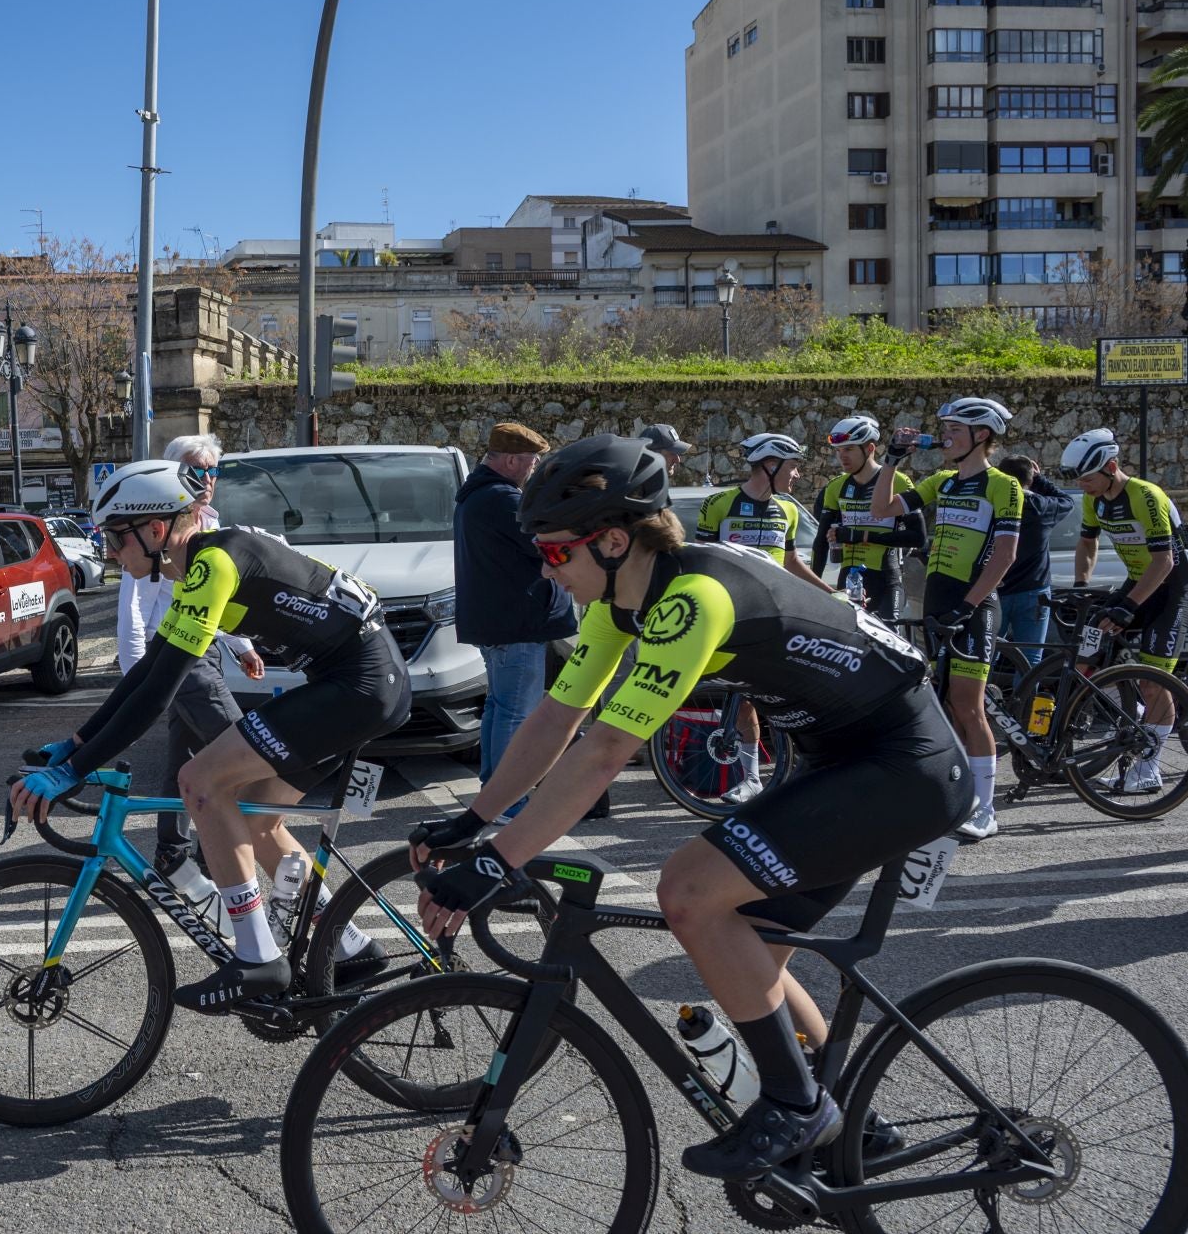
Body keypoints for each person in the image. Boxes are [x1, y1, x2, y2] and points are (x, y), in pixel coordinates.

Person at [412, 434, 969, 1180]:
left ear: (612, 540)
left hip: (904, 764)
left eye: (554, 555)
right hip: (847, 758)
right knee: (746, 954)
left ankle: (798, 1108)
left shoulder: (692, 600)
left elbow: (605, 751)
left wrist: (496, 860)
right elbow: (556, 717)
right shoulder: (623, 600)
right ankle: (852, 1130)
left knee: (689, 890)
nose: (549, 572)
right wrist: (478, 819)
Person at [11, 460, 409, 1012]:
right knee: (248, 818)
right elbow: (150, 671)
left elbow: (157, 696)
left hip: (357, 687)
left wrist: (71, 774)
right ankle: (349, 945)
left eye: (114, 536)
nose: (109, 551)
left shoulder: (212, 563)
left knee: (199, 781)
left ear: (154, 531)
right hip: (356, 682)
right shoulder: (204, 561)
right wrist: (76, 746)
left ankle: (256, 958)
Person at [871, 397, 1021, 842]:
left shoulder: (1001, 485)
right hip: (939, 602)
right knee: (946, 706)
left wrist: (970, 606)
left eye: (955, 429)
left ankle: (987, 808)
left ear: (982, 436)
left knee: (969, 707)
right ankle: (958, 798)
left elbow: (1006, 554)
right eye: (946, 428)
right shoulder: (944, 481)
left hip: (972, 606)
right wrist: (892, 462)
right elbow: (882, 510)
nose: (946, 436)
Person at [117, 434, 264, 871]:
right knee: (245, 752)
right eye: (196, 470)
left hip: (207, 653)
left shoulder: (211, 525)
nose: (206, 479)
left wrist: (242, 646)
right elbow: (132, 611)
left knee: (183, 757)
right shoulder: (158, 530)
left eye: (212, 471)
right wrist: (136, 682)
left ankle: (173, 853)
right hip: (179, 660)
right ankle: (220, 849)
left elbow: (214, 601)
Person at [453, 422, 592, 820]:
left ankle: (492, 790)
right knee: (516, 711)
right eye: (532, 460)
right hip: (516, 623)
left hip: (498, 621)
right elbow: (543, 543)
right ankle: (505, 799)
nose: (534, 467)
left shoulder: (478, 495)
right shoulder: (501, 498)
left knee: (500, 707)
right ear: (512, 459)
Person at [694, 432, 829, 802]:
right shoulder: (719, 504)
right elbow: (704, 562)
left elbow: (791, 562)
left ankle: (814, 767)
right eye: (792, 466)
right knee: (744, 695)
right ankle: (751, 778)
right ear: (770, 465)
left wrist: (830, 595)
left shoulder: (786, 508)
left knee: (797, 693)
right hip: (735, 616)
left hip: (778, 615)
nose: (798, 474)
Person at [1063, 428, 1185, 794]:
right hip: (1138, 580)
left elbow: (1164, 562)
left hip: (1172, 586)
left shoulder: (1146, 495)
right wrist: (1081, 587)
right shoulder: (1095, 499)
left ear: (1112, 466)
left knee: (1151, 678)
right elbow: (1087, 542)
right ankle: (1133, 723)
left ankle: (1149, 770)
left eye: (1088, 478)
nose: (1083, 485)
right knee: (1094, 649)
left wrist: (1129, 606)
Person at [809, 415, 925, 622]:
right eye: (839, 450)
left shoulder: (897, 481)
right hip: (848, 580)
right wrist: (813, 586)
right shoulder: (836, 487)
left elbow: (918, 538)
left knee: (890, 641)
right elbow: (820, 543)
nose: (842, 456)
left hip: (886, 579)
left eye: (849, 449)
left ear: (870, 449)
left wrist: (862, 535)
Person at [994, 455, 1074, 668]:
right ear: (1029, 479)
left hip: (995, 589)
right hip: (1033, 591)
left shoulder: (993, 504)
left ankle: (981, 700)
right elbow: (1067, 501)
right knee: (1031, 659)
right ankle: (1026, 701)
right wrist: (1040, 480)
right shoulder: (1042, 506)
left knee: (986, 654)